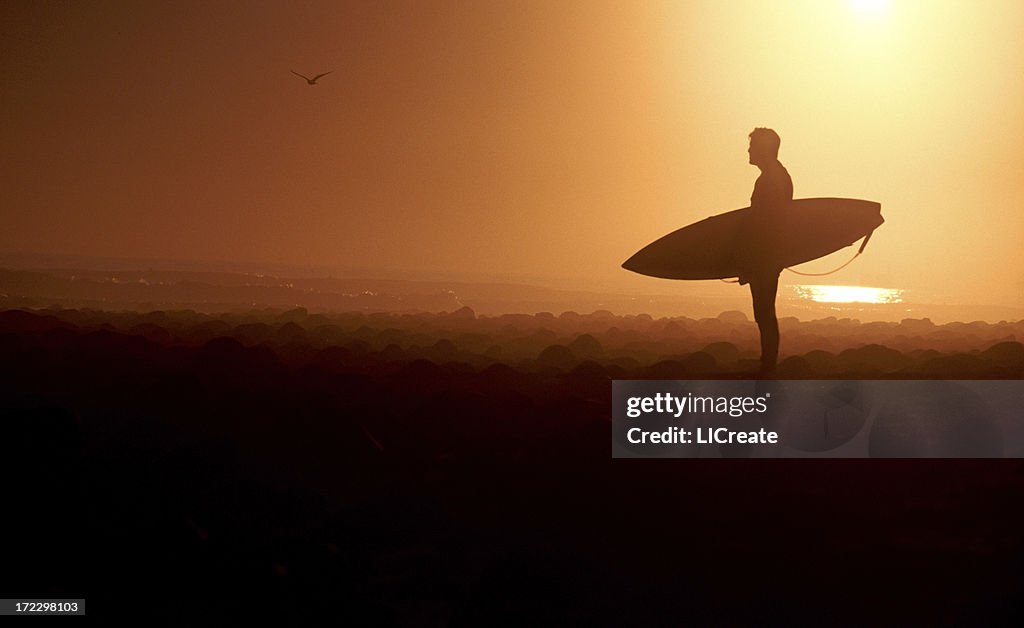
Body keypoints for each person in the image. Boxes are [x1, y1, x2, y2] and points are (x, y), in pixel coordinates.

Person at [738, 128, 792, 374]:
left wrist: (753, 257)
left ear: (763, 149)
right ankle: (767, 361)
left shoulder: (772, 178)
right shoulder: (776, 175)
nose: (748, 151)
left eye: (752, 146)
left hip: (765, 254)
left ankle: (768, 364)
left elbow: (767, 222)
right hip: (767, 254)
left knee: (764, 312)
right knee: (764, 311)